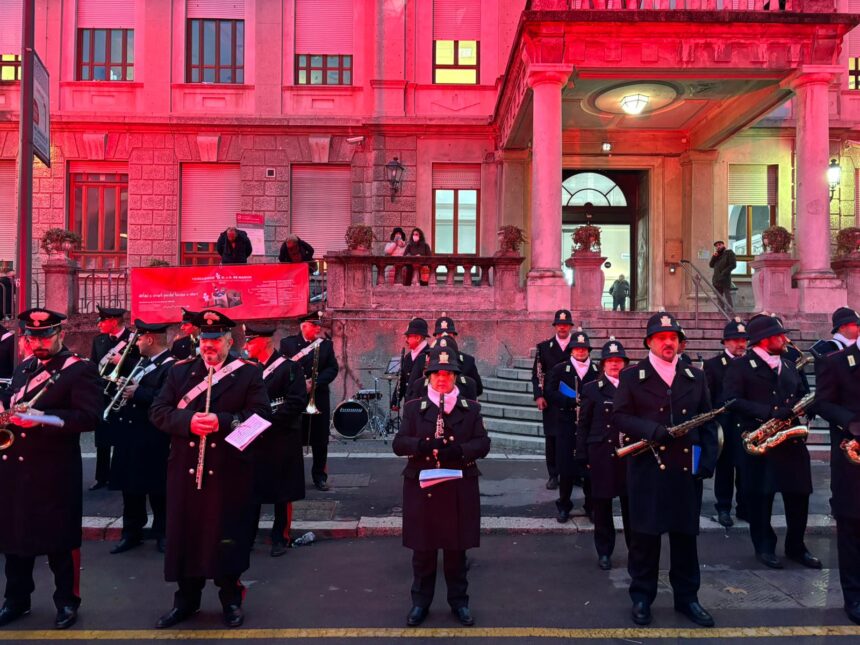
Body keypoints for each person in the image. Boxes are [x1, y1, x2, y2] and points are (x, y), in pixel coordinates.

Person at [149, 309, 270, 629]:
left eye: (216, 340)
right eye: (204, 339)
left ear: (229, 342)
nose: (209, 346)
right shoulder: (179, 373)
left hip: (227, 472)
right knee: (187, 537)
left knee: (226, 536)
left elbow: (260, 420)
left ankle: (230, 599)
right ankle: (186, 601)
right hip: (186, 472)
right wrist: (188, 421)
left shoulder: (247, 374)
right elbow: (158, 412)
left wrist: (224, 422)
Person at [612, 312, 719, 628]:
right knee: (645, 540)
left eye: (673, 337)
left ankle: (688, 598)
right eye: (661, 338)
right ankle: (642, 597)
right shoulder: (633, 377)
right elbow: (619, 416)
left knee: (685, 539)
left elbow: (708, 421)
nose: (668, 342)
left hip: (685, 471)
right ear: (649, 342)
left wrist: (708, 462)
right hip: (648, 469)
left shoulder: (695, 376)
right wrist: (651, 429)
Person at [0, 308, 102, 630]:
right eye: (32, 337)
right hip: (17, 471)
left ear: (60, 334)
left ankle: (67, 602)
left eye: (45, 336)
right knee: (16, 541)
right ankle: (16, 599)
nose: (38, 342)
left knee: (60, 542)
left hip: (54, 472)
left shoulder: (78, 370)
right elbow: (15, 404)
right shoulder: (25, 368)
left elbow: (89, 418)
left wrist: (38, 420)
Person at [392, 345, 491, 628]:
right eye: (437, 374)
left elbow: (483, 444)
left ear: (456, 377)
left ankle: (459, 602)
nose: (442, 378)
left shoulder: (470, 408)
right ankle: (420, 602)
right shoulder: (414, 408)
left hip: (457, 486)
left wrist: (460, 451)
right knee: (423, 551)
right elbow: (399, 444)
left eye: (448, 373)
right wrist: (422, 445)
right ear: (429, 377)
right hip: (423, 487)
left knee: (456, 550)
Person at [723, 314, 820, 571]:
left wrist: (807, 411)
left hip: (791, 441)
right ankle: (764, 546)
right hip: (761, 441)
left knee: (799, 495)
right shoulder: (741, 366)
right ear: (765, 340)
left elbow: (802, 394)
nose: (784, 339)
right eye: (779, 335)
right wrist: (768, 411)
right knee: (761, 497)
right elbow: (731, 401)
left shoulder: (789, 365)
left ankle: (796, 546)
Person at [107, 320, 176, 555]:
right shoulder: (143, 363)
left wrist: (139, 392)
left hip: (153, 435)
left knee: (158, 489)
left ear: (150, 339)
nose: (135, 342)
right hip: (130, 433)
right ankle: (131, 532)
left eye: (138, 338)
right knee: (131, 488)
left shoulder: (171, 366)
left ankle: (163, 533)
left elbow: (170, 398)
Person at [243, 323, 307, 557]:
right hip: (255, 440)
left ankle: (281, 536)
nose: (245, 346)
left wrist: (267, 419)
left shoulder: (289, 368)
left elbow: (297, 401)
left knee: (282, 491)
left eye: (250, 341)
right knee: (251, 491)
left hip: (281, 438)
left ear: (264, 342)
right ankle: (247, 537)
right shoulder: (248, 369)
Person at [815, 325, 860, 625]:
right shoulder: (838, 361)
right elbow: (822, 402)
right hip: (853, 461)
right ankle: (854, 596)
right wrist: (852, 422)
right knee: (852, 533)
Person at [575, 338, 632, 570]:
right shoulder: (592, 389)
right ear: (603, 365)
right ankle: (605, 552)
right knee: (602, 507)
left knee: (631, 507)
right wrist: (582, 455)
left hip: (629, 454)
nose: (614, 365)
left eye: (618, 361)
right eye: (610, 361)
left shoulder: (633, 387)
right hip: (601, 454)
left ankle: (635, 550)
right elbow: (583, 424)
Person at [279, 312, 339, 491]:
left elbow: (332, 368)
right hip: (296, 398)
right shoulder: (288, 344)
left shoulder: (326, 345)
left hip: (318, 397)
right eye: (315, 325)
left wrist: (316, 381)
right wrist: (299, 383)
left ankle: (319, 476)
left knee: (320, 440)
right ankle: (293, 476)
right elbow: (283, 369)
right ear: (304, 326)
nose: (319, 328)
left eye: (319, 324)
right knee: (294, 438)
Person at [546, 327, 598, 523]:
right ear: (571, 351)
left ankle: (590, 506)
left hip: (590, 426)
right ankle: (564, 505)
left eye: (584, 348)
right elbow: (550, 392)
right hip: (566, 424)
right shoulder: (560, 369)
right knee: (566, 469)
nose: (581, 351)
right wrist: (570, 402)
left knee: (589, 469)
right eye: (577, 348)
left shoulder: (596, 370)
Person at [702, 318, 749, 528]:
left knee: (746, 468)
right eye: (735, 340)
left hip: (747, 424)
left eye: (744, 340)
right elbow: (707, 397)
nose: (741, 344)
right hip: (725, 424)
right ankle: (723, 508)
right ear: (725, 342)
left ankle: (745, 507)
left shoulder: (751, 363)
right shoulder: (713, 365)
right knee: (725, 469)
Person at [90, 305, 140, 491]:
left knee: (122, 438)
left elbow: (141, 365)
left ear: (113, 322)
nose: (100, 325)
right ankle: (101, 477)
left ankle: (120, 474)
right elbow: (95, 366)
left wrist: (123, 361)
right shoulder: (99, 340)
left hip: (123, 394)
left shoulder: (133, 339)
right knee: (102, 438)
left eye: (102, 321)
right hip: (104, 393)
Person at [531, 309, 575, 490]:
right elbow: (537, 373)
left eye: (565, 324)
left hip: (573, 400)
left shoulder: (579, 345)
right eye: (559, 324)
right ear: (555, 326)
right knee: (552, 437)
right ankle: (553, 474)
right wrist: (539, 395)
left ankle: (575, 473)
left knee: (574, 436)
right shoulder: (544, 347)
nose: (562, 327)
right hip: (551, 400)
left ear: (570, 326)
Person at [407, 316, 483, 399]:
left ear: (454, 336)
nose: (444, 337)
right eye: (440, 335)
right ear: (435, 337)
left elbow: (477, 389)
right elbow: (412, 390)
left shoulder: (468, 361)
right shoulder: (423, 359)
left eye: (448, 334)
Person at [406, 337, 479, 401]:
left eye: (433, 356)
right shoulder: (420, 385)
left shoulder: (468, 385)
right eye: (430, 355)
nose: (428, 359)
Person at [395, 318, 430, 409]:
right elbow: (402, 379)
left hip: (422, 405)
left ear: (417, 338)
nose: (406, 340)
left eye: (408, 337)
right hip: (409, 403)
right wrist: (395, 400)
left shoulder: (430, 355)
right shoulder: (408, 356)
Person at [709, 241, 736, 312]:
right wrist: (714, 257)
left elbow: (733, 265)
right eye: (716, 246)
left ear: (723, 245)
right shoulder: (717, 255)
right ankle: (721, 310)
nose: (718, 246)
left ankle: (730, 310)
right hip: (716, 279)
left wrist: (724, 273)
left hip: (725, 278)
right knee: (719, 296)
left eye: (719, 245)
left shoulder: (729, 253)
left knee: (727, 294)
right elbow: (711, 265)